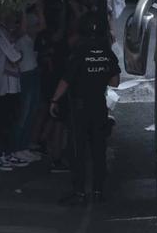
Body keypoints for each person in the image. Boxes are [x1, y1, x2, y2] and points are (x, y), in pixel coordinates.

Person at [51, 13, 118, 205]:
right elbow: (115, 81)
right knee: (99, 149)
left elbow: (66, 80)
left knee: (77, 149)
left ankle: (79, 191)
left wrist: (54, 100)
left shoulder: (78, 52)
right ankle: (98, 191)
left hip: (79, 107)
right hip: (99, 106)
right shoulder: (107, 53)